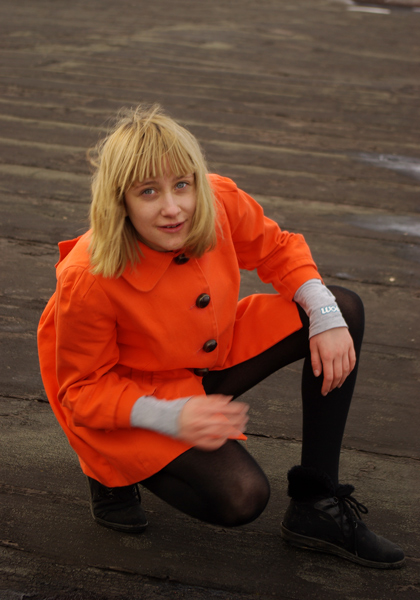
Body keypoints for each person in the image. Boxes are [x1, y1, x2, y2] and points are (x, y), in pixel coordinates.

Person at [37, 105, 404, 569]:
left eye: (182, 184)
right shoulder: (86, 277)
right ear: (119, 201)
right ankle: (109, 468)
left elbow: (276, 248)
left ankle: (317, 503)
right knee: (241, 497)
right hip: (132, 388)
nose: (173, 208)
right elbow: (81, 392)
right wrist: (169, 416)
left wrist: (324, 313)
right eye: (148, 191)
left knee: (341, 308)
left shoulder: (217, 199)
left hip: (210, 350)